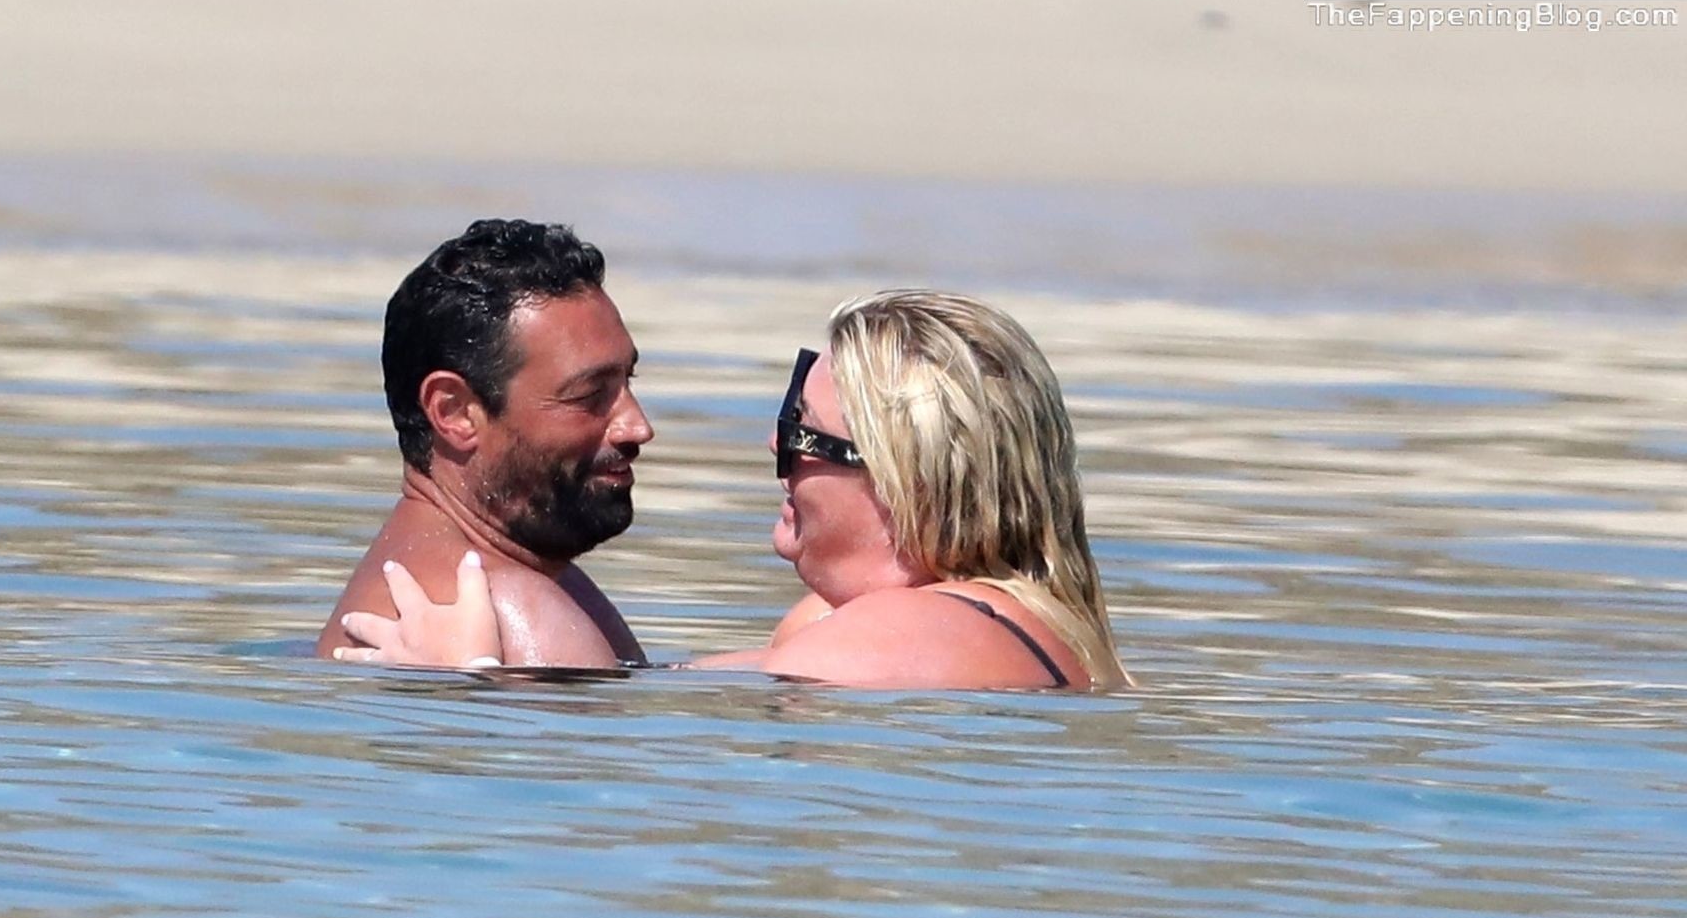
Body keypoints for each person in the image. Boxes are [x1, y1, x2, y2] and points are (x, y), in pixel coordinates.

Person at [337, 289, 1133, 691]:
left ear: (908, 483)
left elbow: (642, 773)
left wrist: (473, 680)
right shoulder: (998, 622)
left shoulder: (901, 638)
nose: (774, 447)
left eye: (800, 430)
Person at [316, 219, 653, 666]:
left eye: (627, 380)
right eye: (589, 395)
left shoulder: (511, 583)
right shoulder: (520, 610)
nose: (637, 426)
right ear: (454, 412)